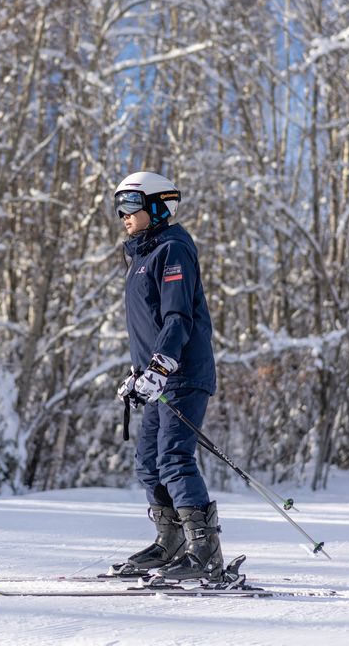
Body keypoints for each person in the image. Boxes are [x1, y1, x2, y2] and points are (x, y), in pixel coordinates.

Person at [114, 170, 223, 581]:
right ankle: (171, 543)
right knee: (148, 463)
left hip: (182, 374)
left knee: (174, 459)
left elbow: (178, 318)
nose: (123, 215)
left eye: (130, 205)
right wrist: (138, 373)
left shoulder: (173, 249)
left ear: (158, 206)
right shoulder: (142, 256)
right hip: (159, 378)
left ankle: (205, 551)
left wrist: (160, 366)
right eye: (119, 207)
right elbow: (150, 323)